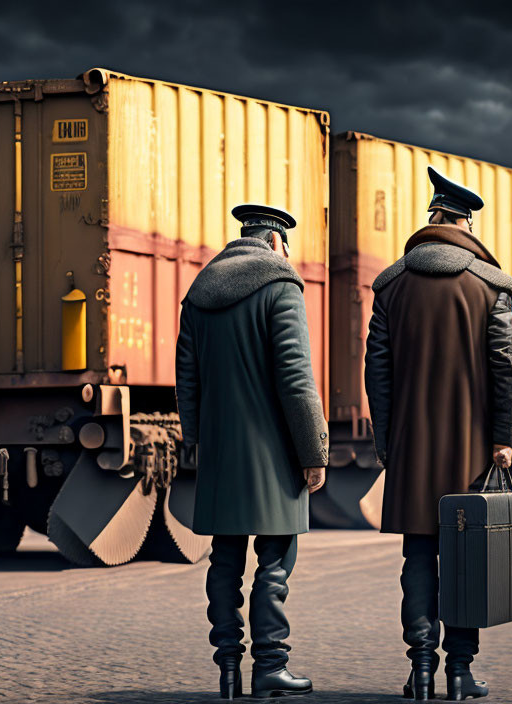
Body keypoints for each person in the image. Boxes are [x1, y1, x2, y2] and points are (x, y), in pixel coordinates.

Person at [364, 167, 512, 701]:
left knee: (417, 557)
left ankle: (421, 670)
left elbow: (377, 372)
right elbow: (508, 368)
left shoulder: (390, 284)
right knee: (466, 557)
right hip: (472, 450)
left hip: (411, 447)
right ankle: (459, 671)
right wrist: (504, 436)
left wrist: (388, 442)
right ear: (467, 222)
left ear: (431, 219)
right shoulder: (489, 284)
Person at [175, 203, 328, 700]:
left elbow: (187, 381)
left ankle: (227, 669)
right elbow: (296, 379)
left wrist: (197, 442)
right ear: (276, 241)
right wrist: (313, 450)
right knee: (275, 563)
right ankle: (271, 665)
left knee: (223, 561)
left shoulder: (199, 293)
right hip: (273, 455)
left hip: (221, 455)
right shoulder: (280, 284)